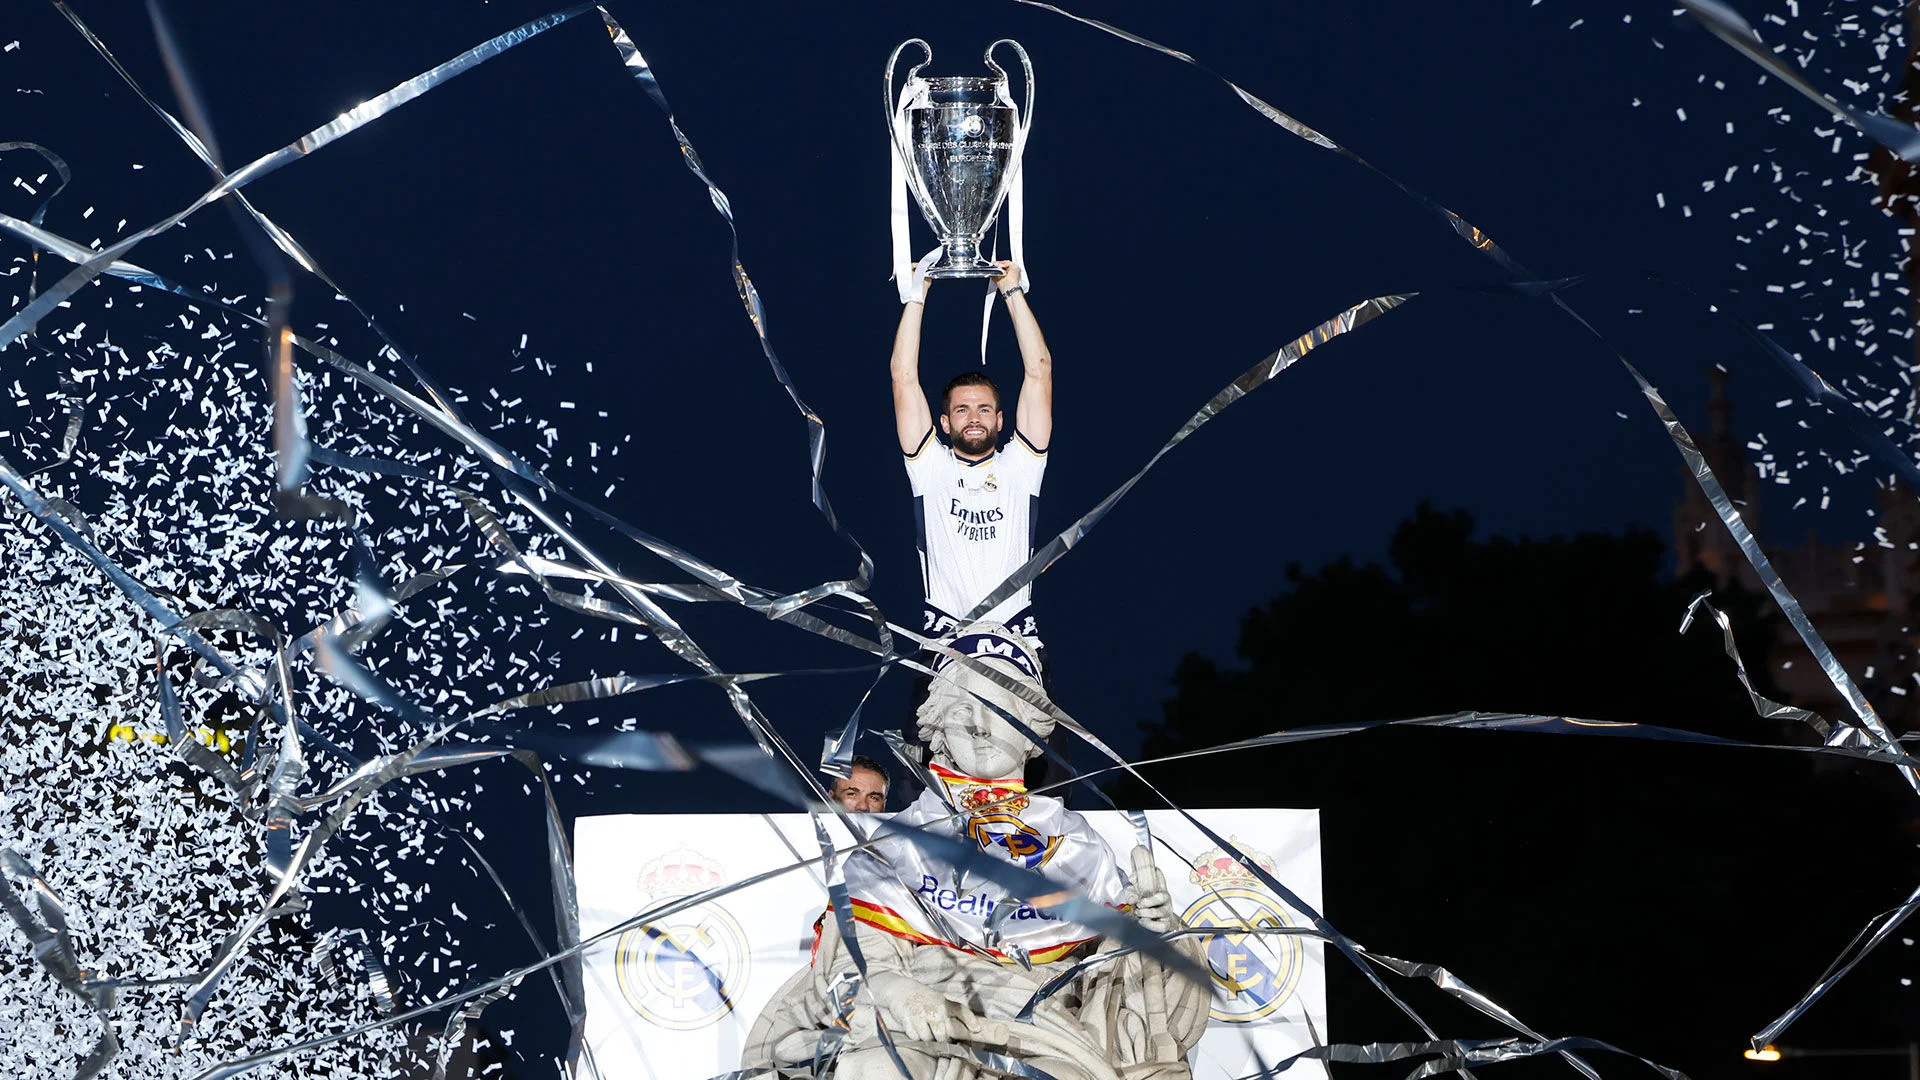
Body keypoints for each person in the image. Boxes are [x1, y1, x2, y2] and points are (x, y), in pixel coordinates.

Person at [741, 623, 1207, 1080]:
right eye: (967, 708)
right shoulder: (894, 843)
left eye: (1001, 708)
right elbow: (855, 959)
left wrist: (1157, 932)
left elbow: (1117, 979)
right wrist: (888, 987)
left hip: (1039, 1027)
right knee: (874, 1066)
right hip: (919, 1013)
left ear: (1031, 732)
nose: (983, 726)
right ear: (938, 726)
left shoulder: (1075, 842)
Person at [891, 261, 1069, 790]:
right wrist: (916, 297)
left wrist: (1012, 292)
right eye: (962, 409)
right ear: (944, 423)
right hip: (945, 636)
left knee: (1046, 787)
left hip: (1018, 636)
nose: (973, 416)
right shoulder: (930, 467)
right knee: (927, 791)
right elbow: (903, 377)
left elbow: (1039, 371)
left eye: (985, 409)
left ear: (1000, 419)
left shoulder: (1021, 465)